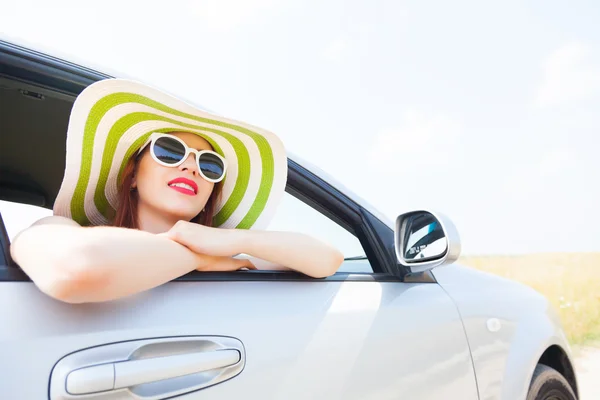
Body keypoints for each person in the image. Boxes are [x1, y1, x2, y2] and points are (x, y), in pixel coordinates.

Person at [10, 79, 343, 304]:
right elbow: (75, 267)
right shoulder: (57, 230)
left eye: (210, 165)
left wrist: (239, 241)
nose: (191, 167)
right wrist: (199, 255)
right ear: (134, 175)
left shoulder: (229, 253)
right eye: (169, 151)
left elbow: (328, 258)